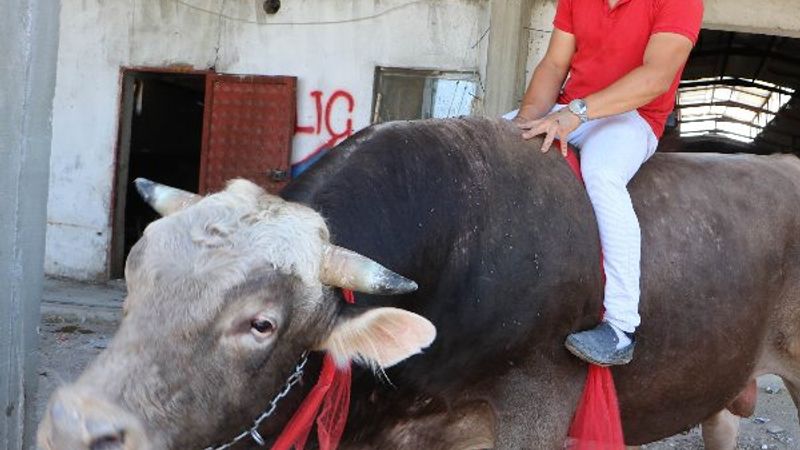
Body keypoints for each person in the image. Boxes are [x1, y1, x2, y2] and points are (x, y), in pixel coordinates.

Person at [513, 0, 704, 366]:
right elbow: (554, 65)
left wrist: (576, 113)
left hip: (633, 116)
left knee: (602, 175)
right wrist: (521, 126)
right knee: (495, 148)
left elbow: (656, 77)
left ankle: (620, 327)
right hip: (572, 109)